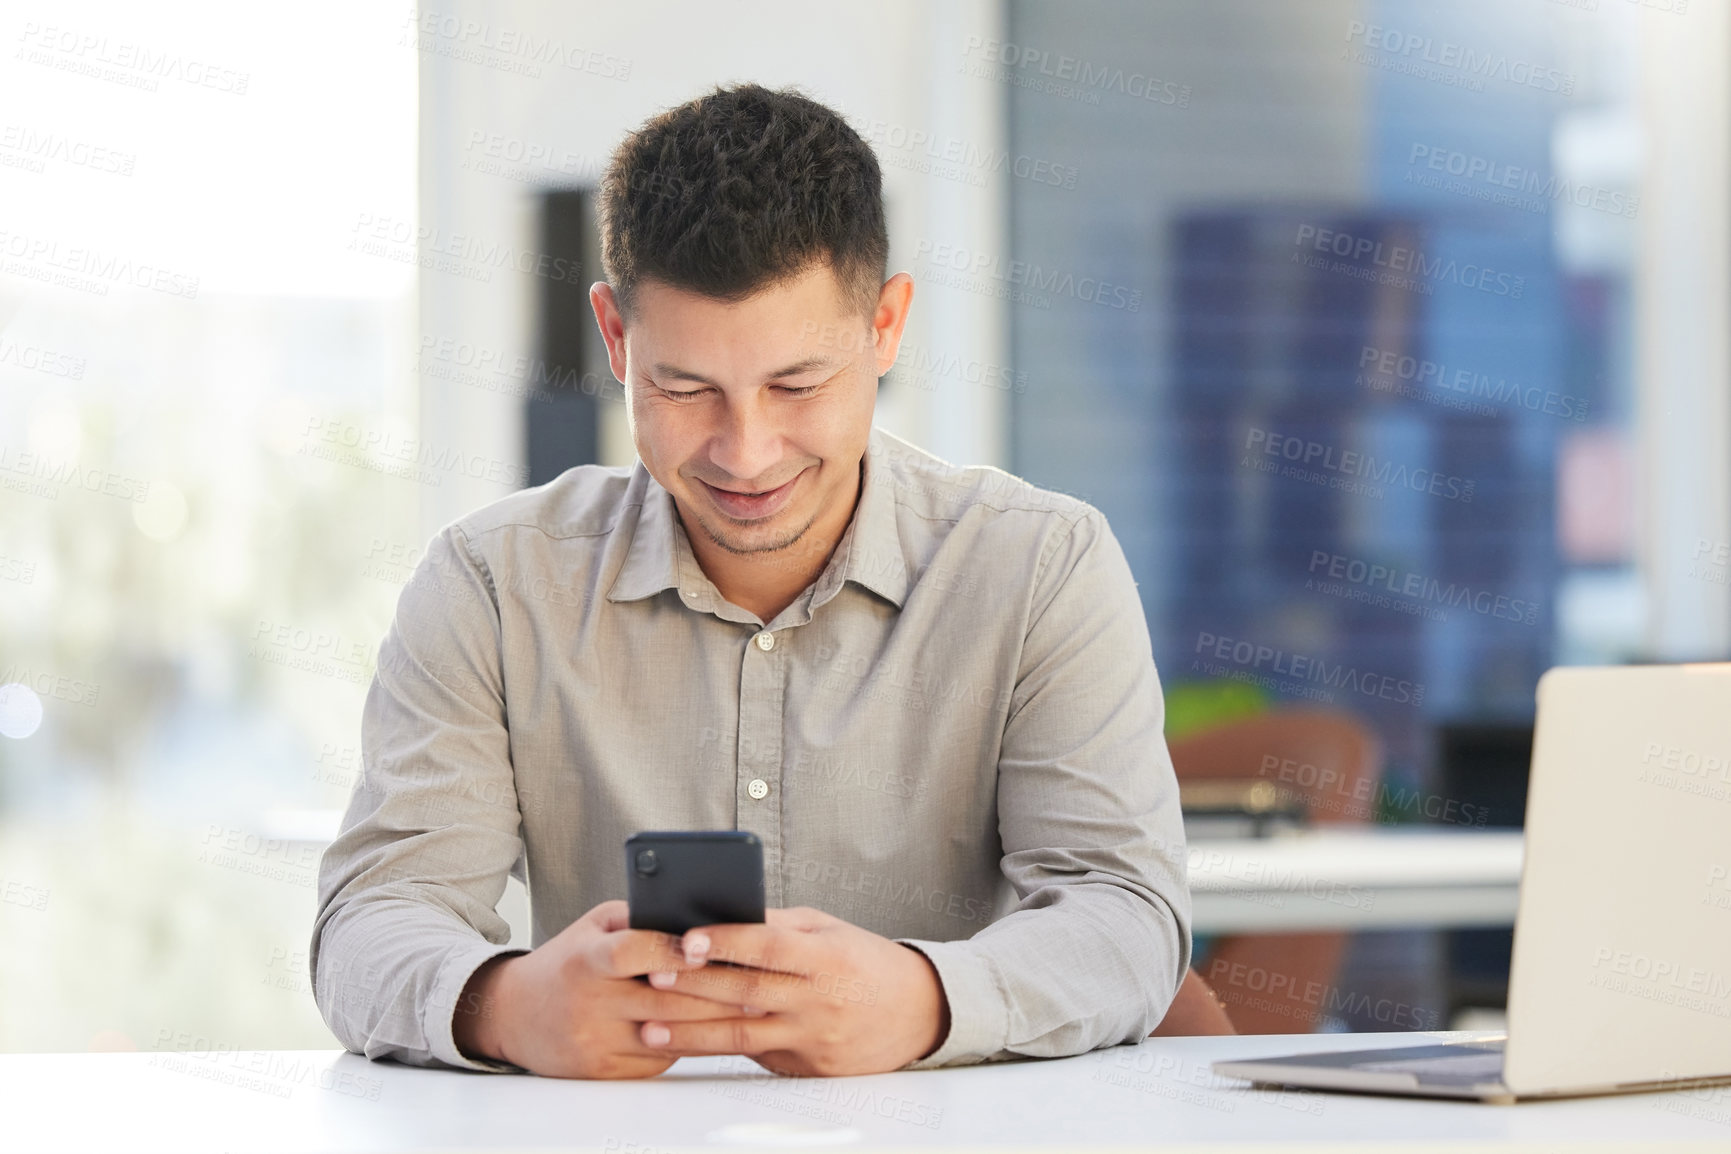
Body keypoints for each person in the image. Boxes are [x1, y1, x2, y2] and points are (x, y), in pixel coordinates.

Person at [311, 81, 1192, 1081]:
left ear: (887, 325)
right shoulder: (492, 584)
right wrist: (502, 1004)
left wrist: (925, 997)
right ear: (614, 338)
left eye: (797, 385)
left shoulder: (1040, 566)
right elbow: (371, 920)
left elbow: (1126, 915)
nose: (746, 452)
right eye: (684, 388)